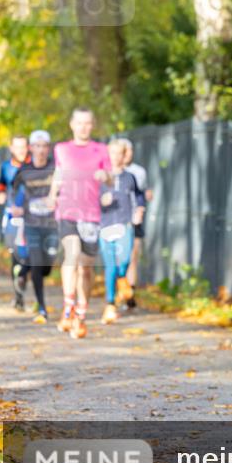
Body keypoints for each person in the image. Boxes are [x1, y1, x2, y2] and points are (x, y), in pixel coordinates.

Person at [48, 107, 112, 339]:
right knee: (72, 255)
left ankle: (81, 315)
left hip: (92, 214)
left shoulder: (101, 150)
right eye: (79, 123)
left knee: (86, 268)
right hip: (66, 210)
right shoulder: (61, 149)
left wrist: (107, 178)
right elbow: (58, 173)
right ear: (72, 125)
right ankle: (68, 308)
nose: (83, 127)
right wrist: (52, 194)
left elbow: (111, 179)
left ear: (92, 125)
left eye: (88, 123)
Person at [10, 131, 58, 323]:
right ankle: (43, 309)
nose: (40, 150)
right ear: (31, 148)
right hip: (32, 223)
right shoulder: (24, 170)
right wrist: (16, 206)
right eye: (36, 146)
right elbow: (16, 191)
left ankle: (23, 269)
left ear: (48, 148)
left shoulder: (55, 167)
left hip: (52, 223)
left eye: (44, 146)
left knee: (46, 267)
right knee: (38, 264)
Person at [98, 139, 144, 324]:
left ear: (124, 155)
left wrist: (139, 210)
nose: (116, 157)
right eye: (113, 153)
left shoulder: (129, 177)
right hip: (106, 225)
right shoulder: (101, 177)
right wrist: (101, 200)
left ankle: (123, 278)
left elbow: (139, 196)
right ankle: (110, 304)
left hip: (125, 225)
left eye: (120, 153)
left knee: (124, 261)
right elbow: (90, 199)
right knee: (110, 265)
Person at [0, 135, 31, 310]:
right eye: (17, 147)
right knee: (16, 257)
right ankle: (18, 297)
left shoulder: (34, 166)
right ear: (11, 148)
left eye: (23, 147)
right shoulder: (6, 167)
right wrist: (0, 195)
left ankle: (24, 275)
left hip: (32, 217)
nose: (21, 150)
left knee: (31, 255)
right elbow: (0, 185)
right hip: (12, 217)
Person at [119, 138, 151, 310]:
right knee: (119, 259)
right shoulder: (110, 172)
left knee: (132, 257)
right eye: (124, 150)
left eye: (130, 150)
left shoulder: (138, 172)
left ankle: (130, 294)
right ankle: (119, 292)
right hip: (116, 221)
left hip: (134, 220)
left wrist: (142, 206)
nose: (128, 154)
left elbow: (142, 193)